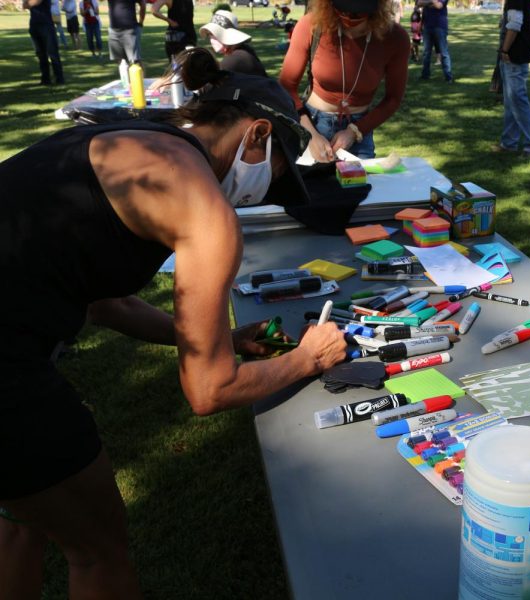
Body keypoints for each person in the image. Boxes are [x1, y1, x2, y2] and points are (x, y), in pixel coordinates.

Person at [0, 48, 348, 597]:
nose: (263, 191)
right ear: (256, 134)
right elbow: (209, 390)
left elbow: (104, 302)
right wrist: (309, 357)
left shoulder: (131, 140)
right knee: (98, 550)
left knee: (23, 518)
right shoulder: (201, 203)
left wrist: (220, 338)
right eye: (277, 171)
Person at [279, 0, 410, 160]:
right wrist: (310, 133)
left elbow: (393, 98)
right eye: (343, 10)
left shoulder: (396, 38)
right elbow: (287, 85)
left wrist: (354, 131)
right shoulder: (312, 25)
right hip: (311, 121)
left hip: (360, 128)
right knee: (309, 184)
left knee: (357, 184)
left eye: (359, 13)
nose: (350, 17)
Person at [492, 0, 530, 156]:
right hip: (515, 55)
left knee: (517, 99)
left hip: (514, 55)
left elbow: (515, 23)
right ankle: (509, 143)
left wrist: (504, 50)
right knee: (511, 101)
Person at [201, 10, 268, 78]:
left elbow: (212, 85)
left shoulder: (234, 60)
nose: (211, 39)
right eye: (209, 34)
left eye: (214, 34)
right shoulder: (244, 50)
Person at [24, 0, 65, 85]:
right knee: (41, 54)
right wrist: (28, 3)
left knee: (52, 53)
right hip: (34, 25)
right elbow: (24, 6)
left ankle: (59, 78)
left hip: (46, 25)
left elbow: (33, 3)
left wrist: (28, 3)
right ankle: (45, 79)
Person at [417, 0, 452, 81]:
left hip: (440, 26)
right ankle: (425, 75)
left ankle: (448, 77)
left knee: (444, 52)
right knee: (426, 53)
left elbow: (438, 6)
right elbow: (419, 3)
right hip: (427, 26)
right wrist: (432, 3)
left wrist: (428, 3)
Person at [108, 0, 145, 64]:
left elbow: (142, 3)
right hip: (114, 30)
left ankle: (139, 74)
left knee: (135, 62)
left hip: (129, 30)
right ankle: (125, 74)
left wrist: (140, 22)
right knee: (120, 60)